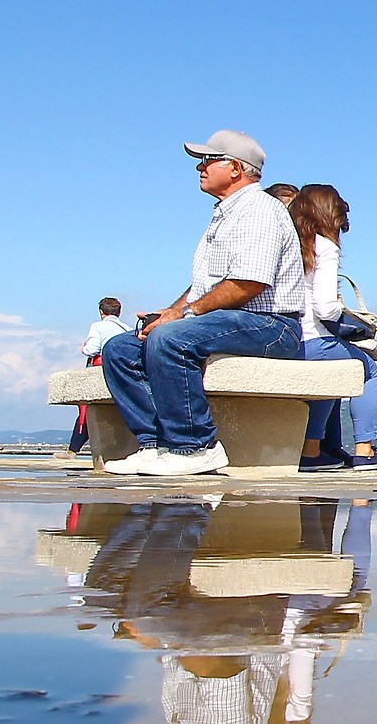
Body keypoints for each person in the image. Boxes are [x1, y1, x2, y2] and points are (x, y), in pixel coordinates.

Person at [97, 130, 310, 477]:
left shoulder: (258, 210)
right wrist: (167, 314)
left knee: (171, 340)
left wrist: (183, 316)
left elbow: (248, 282)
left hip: (271, 325)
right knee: (120, 348)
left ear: (237, 169)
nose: (200, 166)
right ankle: (154, 445)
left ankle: (196, 447)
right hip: (232, 319)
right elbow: (203, 287)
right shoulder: (226, 213)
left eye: (209, 159)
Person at [291, 184, 377, 471]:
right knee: (367, 370)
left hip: (287, 339)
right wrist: (340, 307)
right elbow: (324, 309)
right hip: (313, 339)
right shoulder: (324, 246)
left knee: (332, 377)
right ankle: (365, 449)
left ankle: (311, 453)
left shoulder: (287, 244)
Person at [69, 297, 127, 453]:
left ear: (101, 312)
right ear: (119, 312)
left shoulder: (98, 326)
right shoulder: (127, 329)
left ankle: (73, 450)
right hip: (122, 371)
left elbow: (92, 350)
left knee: (86, 411)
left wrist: (84, 347)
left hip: (101, 370)